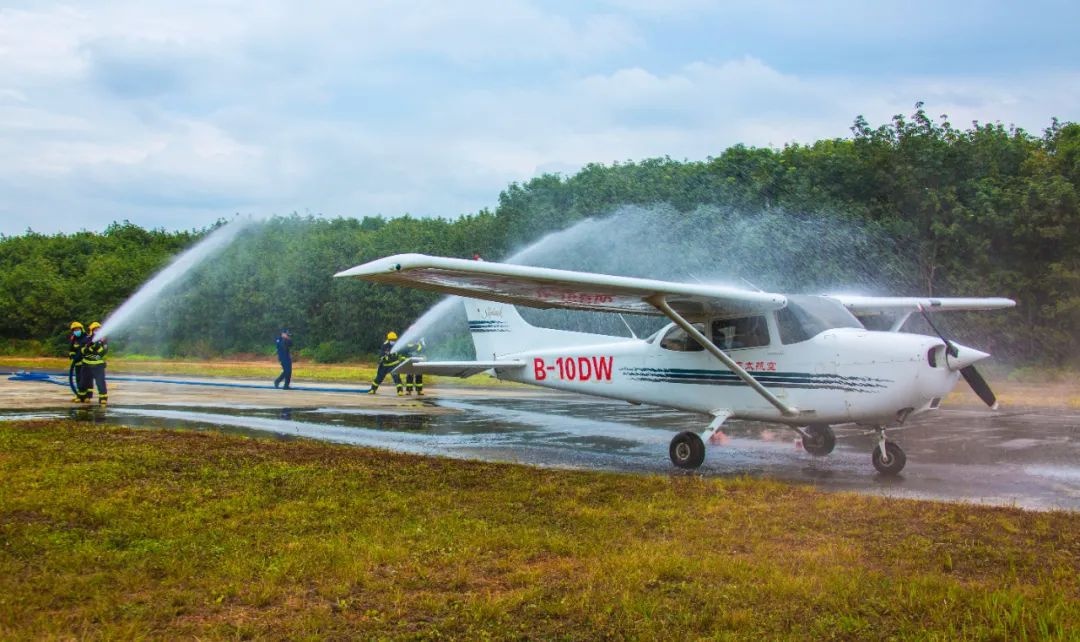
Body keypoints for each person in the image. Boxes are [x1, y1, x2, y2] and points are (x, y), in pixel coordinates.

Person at [76, 321, 108, 406]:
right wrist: (91, 348)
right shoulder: (86, 340)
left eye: (98, 329)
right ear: (91, 330)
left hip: (98, 366)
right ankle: (81, 397)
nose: (97, 331)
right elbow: (83, 351)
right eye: (95, 329)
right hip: (86, 365)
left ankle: (103, 398)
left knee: (100, 382)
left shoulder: (103, 340)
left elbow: (103, 352)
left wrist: (95, 348)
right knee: (83, 382)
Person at [368, 331, 405, 396]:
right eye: (392, 340)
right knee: (379, 378)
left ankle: (400, 391)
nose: (393, 341)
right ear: (388, 339)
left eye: (394, 340)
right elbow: (382, 356)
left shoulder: (397, 344)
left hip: (394, 365)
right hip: (385, 365)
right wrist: (386, 358)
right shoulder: (385, 345)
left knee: (397, 378)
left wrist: (399, 359)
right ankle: (373, 389)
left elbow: (400, 354)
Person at [68, 321, 89, 402]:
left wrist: (80, 355)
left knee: (84, 380)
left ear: (81, 329)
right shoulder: (74, 339)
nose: (76, 331)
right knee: (78, 379)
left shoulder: (86, 338)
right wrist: (72, 355)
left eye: (77, 329)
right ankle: (80, 396)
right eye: (74, 330)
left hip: (85, 363)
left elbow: (86, 350)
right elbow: (71, 349)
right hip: (77, 363)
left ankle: (85, 396)